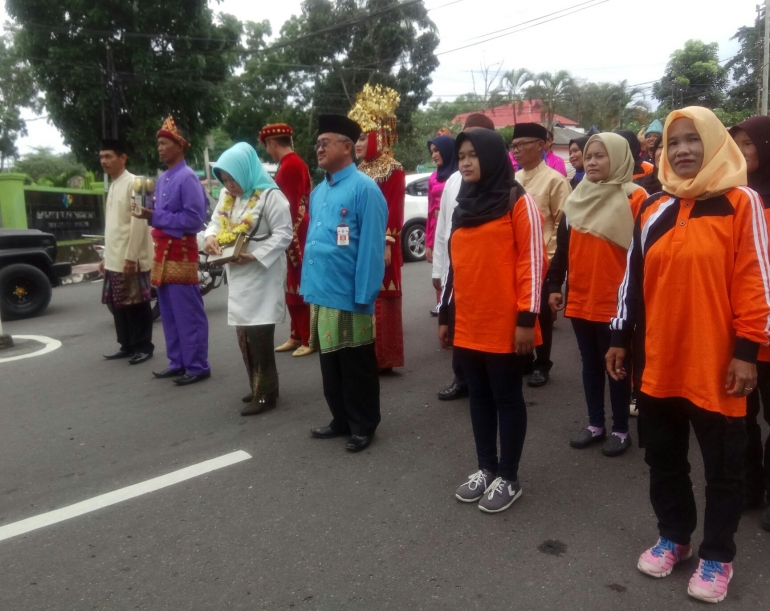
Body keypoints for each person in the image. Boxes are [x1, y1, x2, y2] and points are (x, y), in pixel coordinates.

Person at [607, 107, 770, 603]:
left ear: (714, 143)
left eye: (692, 140)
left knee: (724, 465)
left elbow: (756, 283)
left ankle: (717, 555)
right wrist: (618, 335)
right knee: (664, 458)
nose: (681, 150)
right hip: (658, 361)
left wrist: (747, 351)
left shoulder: (742, 203)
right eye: (673, 142)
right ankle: (674, 537)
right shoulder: (652, 207)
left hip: (717, 365)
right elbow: (631, 280)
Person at [439, 128, 545, 513]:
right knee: (479, 398)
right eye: (461, 156)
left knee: (506, 397)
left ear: (492, 156)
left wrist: (525, 320)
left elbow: (533, 263)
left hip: (505, 323)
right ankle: (486, 468)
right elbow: (455, 266)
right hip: (469, 321)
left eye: (473, 155)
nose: (465, 162)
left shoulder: (518, 200)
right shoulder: (462, 206)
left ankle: (508, 476)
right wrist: (446, 314)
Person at [547, 133, 648, 457]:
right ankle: (595, 424)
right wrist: (554, 284)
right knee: (590, 364)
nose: (591, 161)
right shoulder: (577, 196)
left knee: (617, 366)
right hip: (581, 296)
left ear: (618, 158)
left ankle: (620, 428)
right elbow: (563, 248)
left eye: (600, 156)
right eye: (588, 156)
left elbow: (645, 255)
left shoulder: (637, 198)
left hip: (617, 302)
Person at [303, 114, 388, 453]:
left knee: (357, 364)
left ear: (348, 148)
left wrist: (365, 294)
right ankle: (340, 419)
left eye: (326, 142)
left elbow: (370, 248)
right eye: (318, 143)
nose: (318, 147)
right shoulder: (319, 190)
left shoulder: (365, 189)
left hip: (350, 293)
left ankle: (364, 424)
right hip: (322, 291)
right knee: (331, 364)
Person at [203, 143, 293, 415]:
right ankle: (258, 385)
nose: (229, 185)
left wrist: (254, 257)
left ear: (246, 171)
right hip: (238, 273)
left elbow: (284, 235)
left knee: (260, 333)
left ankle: (267, 393)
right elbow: (215, 223)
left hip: (262, 274)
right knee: (245, 333)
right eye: (225, 180)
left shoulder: (270, 196)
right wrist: (209, 238)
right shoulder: (228, 197)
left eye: (233, 178)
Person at [132, 116, 210, 386]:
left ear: (180, 146)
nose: (160, 148)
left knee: (187, 312)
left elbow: (194, 219)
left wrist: (154, 217)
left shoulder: (188, 178)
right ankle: (178, 362)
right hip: (162, 251)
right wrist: (151, 215)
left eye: (165, 143)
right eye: (159, 144)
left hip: (182, 252)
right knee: (168, 311)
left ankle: (198, 365)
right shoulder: (163, 178)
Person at [432, 113, 497, 401]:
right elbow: (443, 230)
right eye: (463, 152)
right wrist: (439, 270)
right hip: (457, 273)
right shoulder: (453, 182)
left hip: (489, 276)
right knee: (459, 329)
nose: (468, 156)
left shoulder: (506, 186)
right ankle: (462, 379)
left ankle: (490, 380)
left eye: (475, 146)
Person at [730, 115, 770, 530]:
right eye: (735, 144)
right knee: (741, 414)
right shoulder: (732, 198)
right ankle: (749, 486)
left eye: (748, 144)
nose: (740, 153)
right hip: (743, 332)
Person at [350, 87, 405, 372]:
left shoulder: (393, 169)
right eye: (355, 138)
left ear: (376, 137)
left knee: (384, 297)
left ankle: (385, 358)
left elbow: (394, 209)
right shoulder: (357, 170)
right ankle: (366, 355)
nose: (357, 144)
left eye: (361, 137)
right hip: (360, 244)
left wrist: (387, 244)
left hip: (385, 246)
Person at [512, 122, 571, 387]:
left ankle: (542, 363)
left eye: (522, 144)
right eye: (514, 146)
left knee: (542, 315)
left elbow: (562, 225)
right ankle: (522, 360)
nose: (517, 150)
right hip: (517, 260)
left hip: (545, 260)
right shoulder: (513, 181)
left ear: (540, 145)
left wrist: (554, 263)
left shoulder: (555, 180)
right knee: (520, 312)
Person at [259, 123, 314, 358]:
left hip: (294, 231)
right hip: (293, 230)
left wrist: (287, 239)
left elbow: (290, 206)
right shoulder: (290, 163)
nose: (267, 151)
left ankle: (309, 337)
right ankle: (296, 333)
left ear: (272, 143)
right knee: (291, 284)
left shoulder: (290, 165)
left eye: (267, 146)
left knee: (297, 285)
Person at [99, 139, 155, 365]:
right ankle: (127, 345)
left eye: (109, 156)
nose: (104, 161)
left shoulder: (139, 183)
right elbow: (112, 226)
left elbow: (140, 223)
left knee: (137, 302)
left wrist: (132, 256)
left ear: (123, 158)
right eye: (102, 157)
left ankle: (143, 346)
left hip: (132, 256)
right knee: (118, 304)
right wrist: (105, 257)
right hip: (113, 257)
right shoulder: (112, 184)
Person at [426, 133, 457, 316]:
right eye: (432, 152)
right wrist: (428, 241)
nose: (434, 155)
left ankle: (454, 303)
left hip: (453, 225)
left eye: (437, 150)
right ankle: (441, 304)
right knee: (439, 265)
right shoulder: (433, 178)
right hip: (437, 224)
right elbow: (430, 210)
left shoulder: (457, 176)